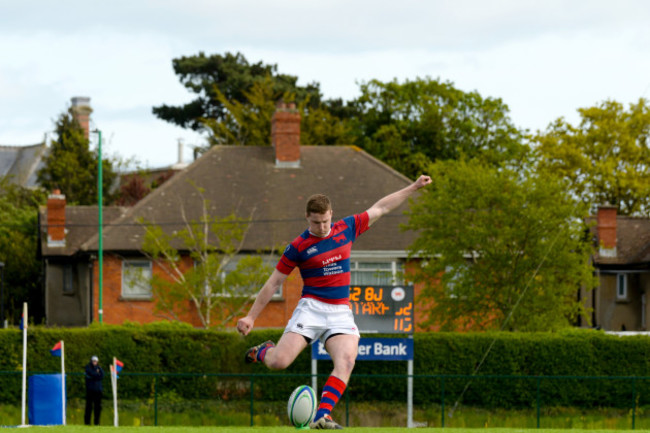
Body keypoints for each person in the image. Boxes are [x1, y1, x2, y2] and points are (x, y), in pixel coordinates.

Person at [237, 175, 432, 429]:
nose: (322, 227)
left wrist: (414, 187)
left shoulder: (347, 228)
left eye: (326, 220)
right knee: (278, 362)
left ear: (332, 213)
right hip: (311, 310)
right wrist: (251, 316)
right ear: (307, 218)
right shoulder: (298, 246)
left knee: (347, 360)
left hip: (340, 312)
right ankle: (263, 350)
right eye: (316, 222)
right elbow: (274, 283)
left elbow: (381, 207)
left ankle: (322, 415)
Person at [84, 355, 104, 425]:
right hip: (90, 390)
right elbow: (92, 374)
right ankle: (87, 422)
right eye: (93, 361)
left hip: (98, 391)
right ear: (91, 361)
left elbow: (102, 375)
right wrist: (96, 374)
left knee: (97, 407)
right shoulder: (88, 367)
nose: (94, 362)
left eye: (95, 361)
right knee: (89, 407)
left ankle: (97, 423)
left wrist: (97, 374)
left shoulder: (99, 368)